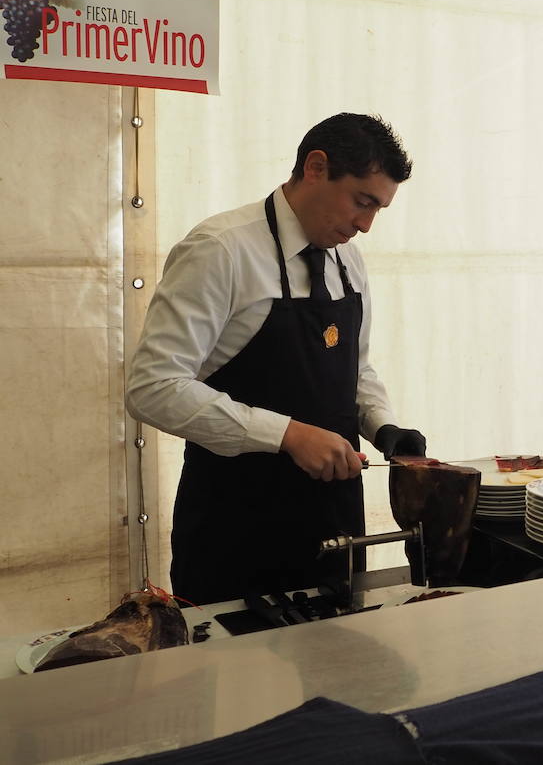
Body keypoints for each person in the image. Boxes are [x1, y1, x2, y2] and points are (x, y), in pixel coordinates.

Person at [126, 113, 427, 605]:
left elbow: (356, 368)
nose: (366, 225)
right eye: (362, 201)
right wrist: (287, 435)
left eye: (379, 209)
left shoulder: (345, 257)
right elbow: (153, 387)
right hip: (236, 529)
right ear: (315, 167)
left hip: (334, 526)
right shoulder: (220, 250)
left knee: (338, 672)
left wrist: (383, 427)